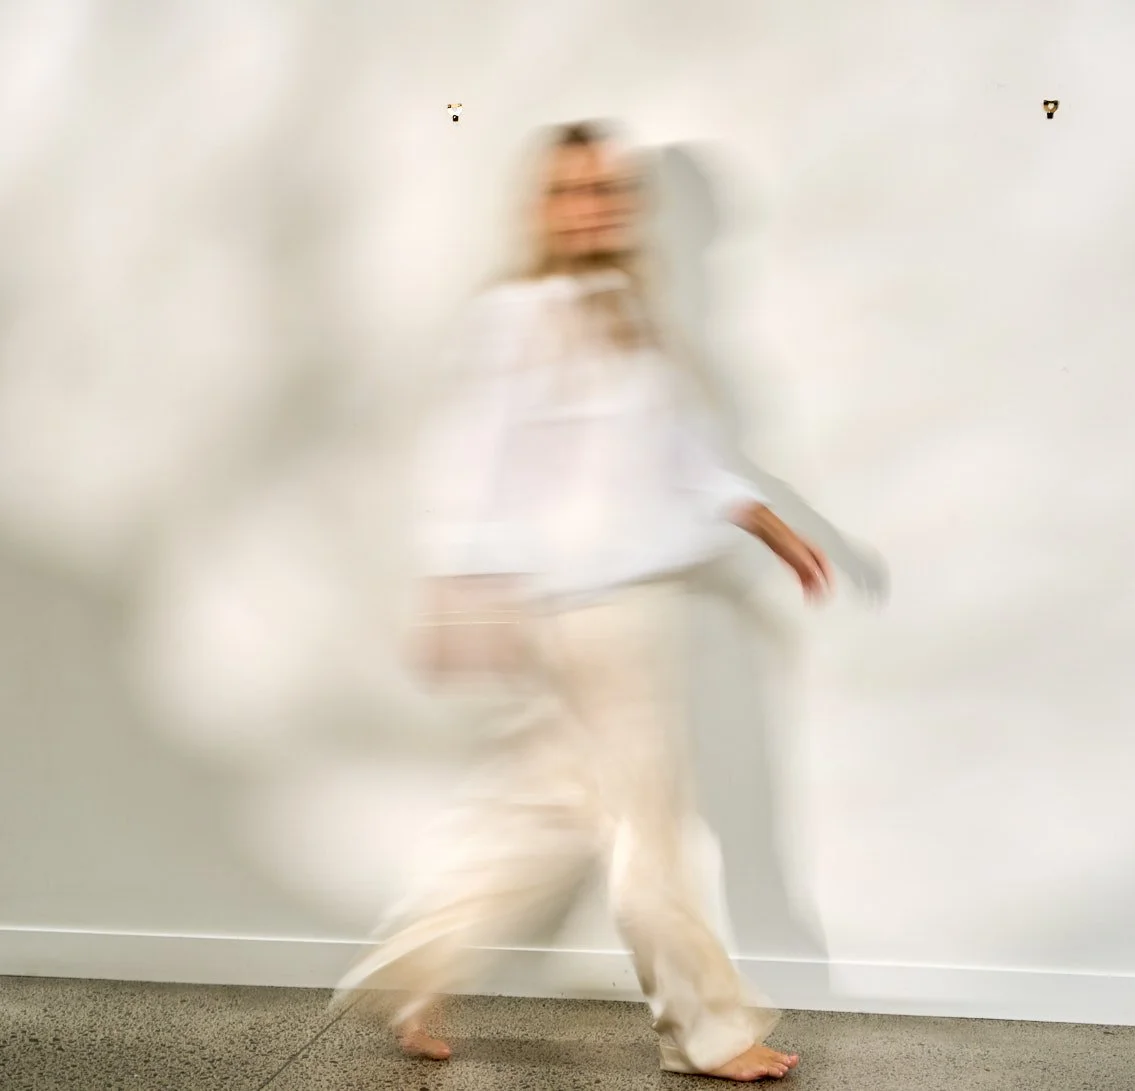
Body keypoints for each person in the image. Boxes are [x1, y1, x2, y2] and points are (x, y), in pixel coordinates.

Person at [330, 121, 830, 1083]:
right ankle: (708, 1031)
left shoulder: (625, 311)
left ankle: (416, 961)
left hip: (618, 604)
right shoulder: (517, 317)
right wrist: (457, 586)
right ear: (541, 208)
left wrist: (767, 524)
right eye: (572, 191)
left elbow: (678, 452)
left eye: (606, 190)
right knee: (647, 827)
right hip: (591, 611)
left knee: (548, 803)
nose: (593, 206)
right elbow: (468, 461)